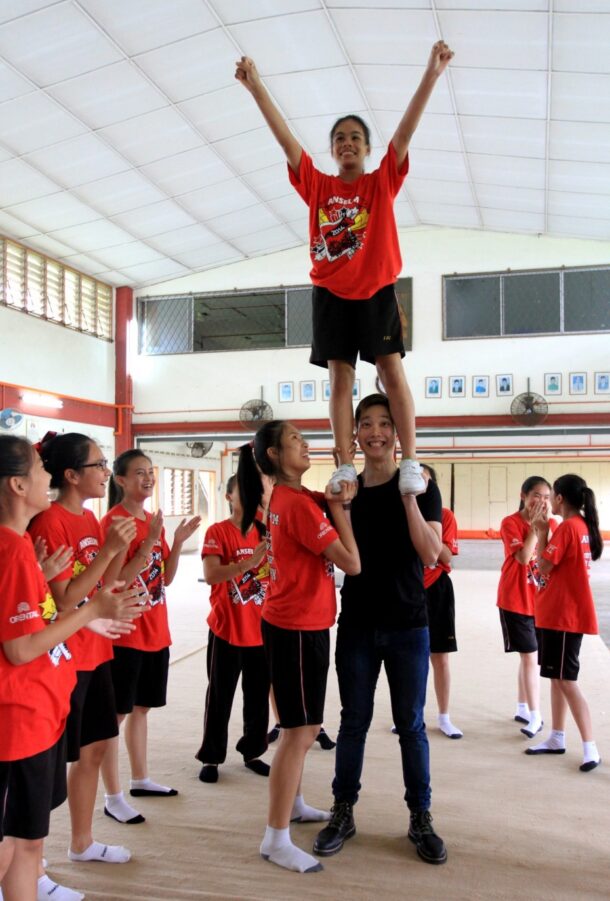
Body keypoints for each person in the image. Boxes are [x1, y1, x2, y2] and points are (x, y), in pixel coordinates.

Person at [235, 42, 454, 496]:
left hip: (376, 290)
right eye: (339, 138)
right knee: (340, 378)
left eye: (355, 137)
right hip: (331, 295)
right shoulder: (317, 185)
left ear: (367, 148)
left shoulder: (381, 183)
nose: (347, 143)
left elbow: (405, 133)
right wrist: (256, 88)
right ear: (333, 150)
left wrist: (432, 75)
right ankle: (344, 464)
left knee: (391, 373)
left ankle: (410, 459)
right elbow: (285, 140)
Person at [0, 435, 142, 901]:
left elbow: (41, 611)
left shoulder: (21, 545)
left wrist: (53, 585)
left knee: (24, 843)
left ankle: (60, 859)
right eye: (39, 468)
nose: (45, 474)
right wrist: (90, 611)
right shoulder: (17, 544)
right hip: (20, 717)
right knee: (14, 843)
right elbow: (21, 646)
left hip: (37, 707)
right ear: (18, 485)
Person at [314, 394, 447, 865]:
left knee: (411, 725)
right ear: (354, 433)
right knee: (353, 721)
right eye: (366, 424)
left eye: (385, 424)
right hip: (358, 624)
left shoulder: (422, 485)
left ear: (398, 432)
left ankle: (420, 816)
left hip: (409, 624)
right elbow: (347, 559)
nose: (375, 432)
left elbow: (430, 553)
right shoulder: (344, 489)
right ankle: (343, 810)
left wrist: (409, 496)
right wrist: (342, 506)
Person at [238, 420, 360, 873]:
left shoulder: (291, 497)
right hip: (297, 628)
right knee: (299, 733)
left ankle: (293, 804)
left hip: (298, 623)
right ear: (273, 455)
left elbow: (327, 497)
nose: (305, 444)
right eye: (294, 440)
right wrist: (341, 511)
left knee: (302, 728)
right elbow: (352, 563)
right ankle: (275, 839)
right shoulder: (297, 506)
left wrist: (337, 492)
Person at [100, 450, 200, 823]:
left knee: (141, 708)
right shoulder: (116, 522)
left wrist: (176, 541)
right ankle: (112, 796)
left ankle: (140, 779)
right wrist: (149, 541)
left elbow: (166, 578)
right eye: (139, 473)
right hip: (125, 634)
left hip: (156, 631)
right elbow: (116, 581)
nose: (147, 478)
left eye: (150, 472)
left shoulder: (149, 520)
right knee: (115, 716)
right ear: (121, 480)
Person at [195, 474, 270, 783]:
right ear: (228, 497)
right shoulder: (218, 531)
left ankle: (253, 752)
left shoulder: (267, 532)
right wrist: (247, 564)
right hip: (227, 629)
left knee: (258, 697)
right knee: (220, 695)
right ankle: (211, 757)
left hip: (262, 630)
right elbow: (212, 575)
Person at [526, 474, 603, 772]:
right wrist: (545, 530)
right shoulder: (579, 526)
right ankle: (557, 736)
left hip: (562, 615)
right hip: (559, 613)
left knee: (566, 680)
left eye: (550, 496)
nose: (547, 501)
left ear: (559, 498)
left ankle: (590, 746)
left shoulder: (569, 527)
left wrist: (540, 531)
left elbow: (543, 566)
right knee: (557, 678)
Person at [497, 476, 554, 738]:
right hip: (515, 600)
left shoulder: (552, 524)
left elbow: (549, 558)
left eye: (546, 497)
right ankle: (535, 715)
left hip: (541, 601)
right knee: (530, 656)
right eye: (536, 496)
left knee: (530, 657)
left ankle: (522, 707)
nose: (541, 502)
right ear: (524, 496)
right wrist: (534, 527)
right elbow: (522, 557)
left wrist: (545, 527)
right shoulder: (510, 523)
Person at [421, 464, 462, 739]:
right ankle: (411, 714)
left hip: (436, 589)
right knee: (411, 658)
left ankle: (444, 716)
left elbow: (445, 556)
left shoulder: (445, 515)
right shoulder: (400, 510)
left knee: (440, 657)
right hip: (408, 590)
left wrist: (426, 529)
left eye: (424, 480)